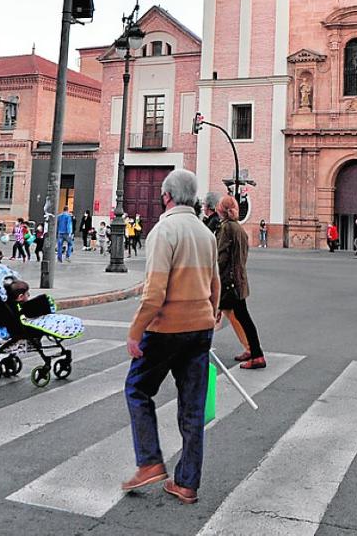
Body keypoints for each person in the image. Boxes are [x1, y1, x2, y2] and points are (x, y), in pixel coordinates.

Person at [122, 169, 220, 505]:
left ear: (166, 196)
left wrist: (136, 332)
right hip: (200, 328)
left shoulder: (164, 230)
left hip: (166, 329)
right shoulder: (206, 234)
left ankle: (149, 461)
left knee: (137, 389)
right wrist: (210, 316)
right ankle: (187, 484)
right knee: (192, 408)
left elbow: (154, 293)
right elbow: (215, 286)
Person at [216, 194, 265, 369]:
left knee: (241, 317)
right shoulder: (238, 228)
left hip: (230, 282)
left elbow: (221, 257)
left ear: (221, 210)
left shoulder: (227, 228)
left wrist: (214, 276)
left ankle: (257, 355)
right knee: (242, 317)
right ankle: (253, 350)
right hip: (239, 280)